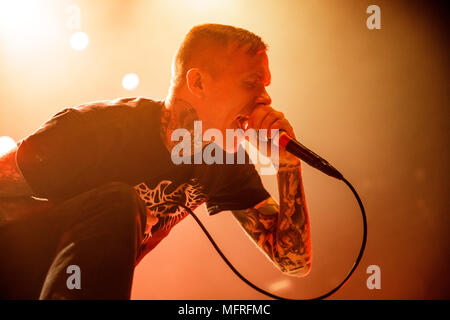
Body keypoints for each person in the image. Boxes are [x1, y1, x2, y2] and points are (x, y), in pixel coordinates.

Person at [0, 23, 311, 299]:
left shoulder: (222, 159)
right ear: (199, 82)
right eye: (251, 82)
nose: (265, 98)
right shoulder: (95, 129)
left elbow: (293, 262)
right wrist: (93, 208)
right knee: (119, 202)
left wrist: (287, 164)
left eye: (266, 84)